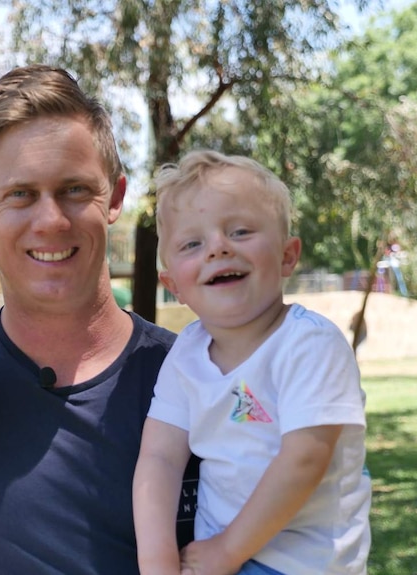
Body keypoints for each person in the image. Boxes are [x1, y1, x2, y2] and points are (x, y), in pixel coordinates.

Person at [0, 64, 199, 574]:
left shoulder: (200, 377)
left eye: (75, 190)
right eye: (20, 194)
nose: (51, 220)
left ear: (116, 198)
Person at [133, 150, 371, 575]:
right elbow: (160, 458)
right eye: (192, 243)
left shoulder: (309, 344)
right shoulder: (186, 354)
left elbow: (304, 458)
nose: (218, 248)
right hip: (217, 557)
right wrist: (158, 562)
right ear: (174, 285)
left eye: (240, 231)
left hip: (302, 564)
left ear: (287, 255)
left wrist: (227, 551)